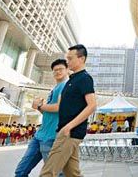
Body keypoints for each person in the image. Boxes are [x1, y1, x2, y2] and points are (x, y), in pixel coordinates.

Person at [39, 45, 97, 177]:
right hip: (65, 131)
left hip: (69, 133)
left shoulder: (85, 78)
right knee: (72, 173)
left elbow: (92, 105)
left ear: (81, 58)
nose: (67, 62)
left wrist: (69, 127)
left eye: (70, 59)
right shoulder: (72, 80)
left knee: (48, 172)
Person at [15, 59, 69, 176]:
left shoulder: (66, 86)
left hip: (52, 137)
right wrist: (38, 107)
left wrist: (40, 105)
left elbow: (60, 107)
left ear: (67, 70)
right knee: (20, 171)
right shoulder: (55, 88)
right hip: (40, 136)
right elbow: (48, 113)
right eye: (55, 70)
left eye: (61, 69)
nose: (57, 71)